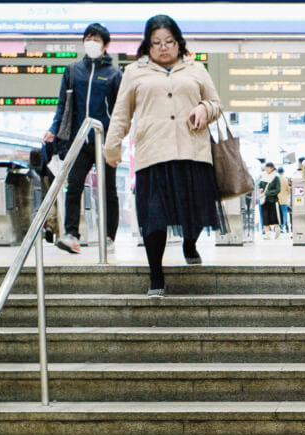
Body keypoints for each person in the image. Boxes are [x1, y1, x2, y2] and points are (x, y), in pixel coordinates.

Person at [105, 14, 224, 296]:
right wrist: (112, 147)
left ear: (178, 43)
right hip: (153, 154)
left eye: (169, 41)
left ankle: (189, 243)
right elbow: (121, 113)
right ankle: (156, 275)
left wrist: (205, 109)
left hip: (191, 151)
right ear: (147, 44)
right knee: (154, 216)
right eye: (156, 42)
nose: (163, 47)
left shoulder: (196, 69)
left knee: (192, 210)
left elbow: (217, 103)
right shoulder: (135, 72)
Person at [45, 23, 122, 254]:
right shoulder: (72, 71)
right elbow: (63, 106)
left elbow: (120, 112)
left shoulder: (114, 75)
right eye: (88, 38)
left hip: (105, 141)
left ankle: (109, 236)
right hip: (78, 140)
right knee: (74, 186)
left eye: (96, 39)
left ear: (106, 45)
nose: (91, 42)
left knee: (108, 190)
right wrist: (53, 129)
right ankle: (71, 235)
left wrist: (116, 142)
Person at [258, 161, 281, 238]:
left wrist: (267, 193)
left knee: (274, 216)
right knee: (265, 217)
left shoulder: (276, 177)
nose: (266, 169)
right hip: (264, 201)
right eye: (266, 167)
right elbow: (260, 185)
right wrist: (261, 189)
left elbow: (278, 189)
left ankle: (277, 230)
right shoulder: (263, 176)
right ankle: (267, 234)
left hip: (273, 200)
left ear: (272, 168)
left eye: (268, 167)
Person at [277, 166, 291, 233]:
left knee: (278, 214)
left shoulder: (276, 179)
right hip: (284, 200)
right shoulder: (286, 180)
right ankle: (282, 227)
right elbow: (289, 190)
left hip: (277, 199)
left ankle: (278, 227)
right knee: (284, 214)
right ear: (283, 172)